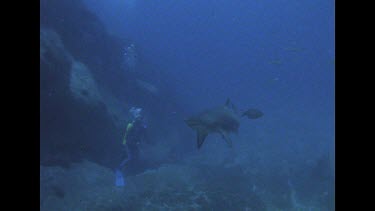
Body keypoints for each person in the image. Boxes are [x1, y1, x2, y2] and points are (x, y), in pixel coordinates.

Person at [115, 107, 147, 186]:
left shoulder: (140, 126)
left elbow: (141, 135)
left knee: (135, 157)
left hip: (133, 144)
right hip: (128, 144)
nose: (140, 119)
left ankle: (130, 173)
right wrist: (125, 143)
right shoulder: (132, 124)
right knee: (130, 157)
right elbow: (127, 135)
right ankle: (119, 169)